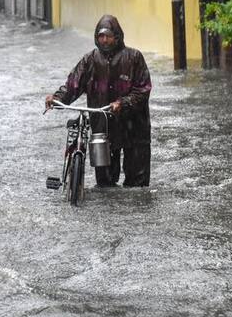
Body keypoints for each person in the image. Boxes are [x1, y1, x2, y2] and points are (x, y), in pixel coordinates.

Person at [45, 14, 152, 187]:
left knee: (137, 184)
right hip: (103, 129)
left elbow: (143, 89)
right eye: (101, 36)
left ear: (117, 37)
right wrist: (57, 99)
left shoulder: (134, 58)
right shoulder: (90, 60)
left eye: (108, 36)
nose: (104, 40)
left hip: (135, 128)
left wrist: (122, 103)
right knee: (105, 184)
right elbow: (73, 85)